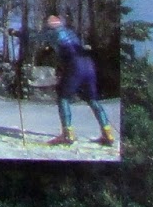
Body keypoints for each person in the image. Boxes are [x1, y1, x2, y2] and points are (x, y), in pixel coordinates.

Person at [23, 14, 115, 146]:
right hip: (89, 65)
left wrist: (17, 33)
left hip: (74, 64)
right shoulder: (70, 32)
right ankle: (107, 132)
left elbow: (34, 37)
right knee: (92, 99)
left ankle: (67, 134)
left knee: (63, 97)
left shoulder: (52, 33)